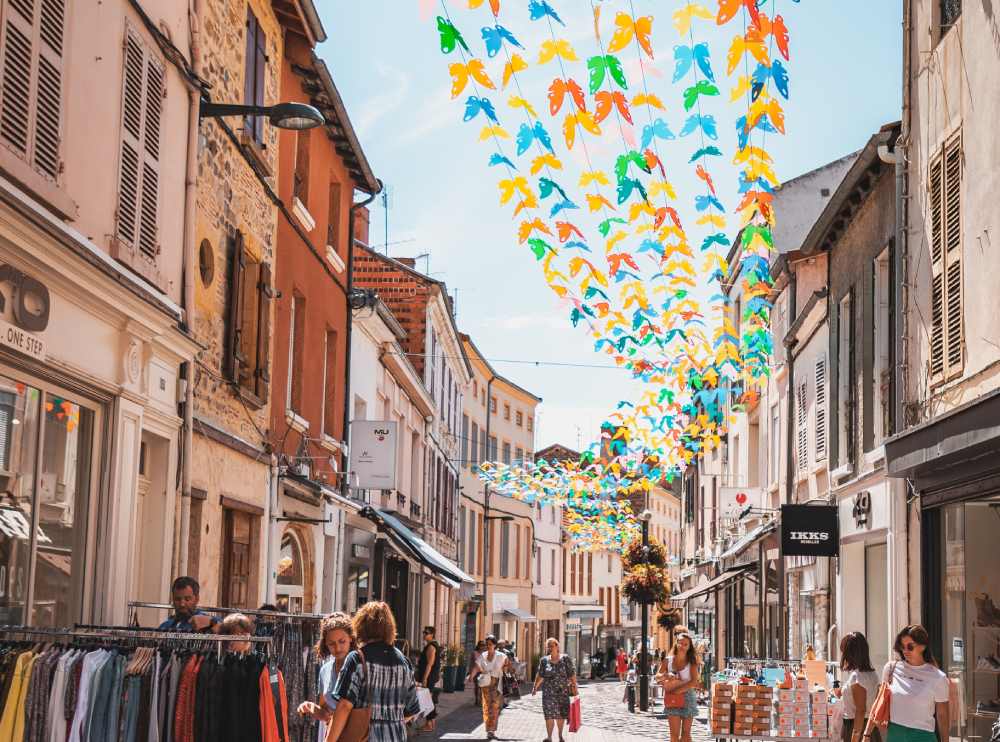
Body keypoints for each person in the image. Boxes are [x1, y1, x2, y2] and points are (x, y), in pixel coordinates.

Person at [325, 601, 419, 742]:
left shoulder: (357, 659)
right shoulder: (404, 662)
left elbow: (344, 706)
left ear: (360, 626)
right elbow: (411, 710)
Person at [862, 625, 949, 742]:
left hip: (922, 736)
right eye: (902, 647)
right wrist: (866, 734)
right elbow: (878, 701)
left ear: (922, 646)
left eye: (910, 647)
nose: (905, 651)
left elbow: (942, 715)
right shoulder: (891, 668)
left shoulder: (938, 677)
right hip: (894, 734)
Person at [297, 612, 355, 740]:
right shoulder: (325, 670)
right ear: (325, 644)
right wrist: (310, 707)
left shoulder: (360, 668)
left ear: (351, 638)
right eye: (331, 644)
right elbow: (326, 713)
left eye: (342, 641)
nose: (337, 648)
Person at [657, 627, 702, 742]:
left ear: (689, 647)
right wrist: (665, 676)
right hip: (672, 697)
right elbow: (657, 676)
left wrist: (679, 690)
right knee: (674, 735)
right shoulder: (668, 660)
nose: (682, 646)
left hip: (687, 697)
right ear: (676, 644)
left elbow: (694, 681)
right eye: (680, 643)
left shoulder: (692, 661)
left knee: (686, 735)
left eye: (685, 644)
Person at [838, 632, 881, 742]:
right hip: (870, 727)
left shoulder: (856, 676)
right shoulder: (873, 674)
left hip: (856, 727)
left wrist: (855, 737)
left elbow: (861, 710)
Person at [532, 637, 576, 742]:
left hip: (562, 692)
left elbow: (571, 674)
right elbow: (540, 675)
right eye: (548, 646)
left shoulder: (565, 659)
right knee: (549, 715)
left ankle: (560, 736)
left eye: (552, 646)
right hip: (548, 693)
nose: (550, 648)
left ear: (557, 646)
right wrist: (535, 687)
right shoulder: (544, 661)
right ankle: (549, 737)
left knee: (560, 715)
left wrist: (575, 686)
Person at [475, 635, 507, 740]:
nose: (487, 646)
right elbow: (477, 665)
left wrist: (505, 670)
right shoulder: (483, 655)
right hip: (485, 685)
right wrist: (473, 675)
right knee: (486, 707)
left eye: (490, 644)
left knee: (494, 707)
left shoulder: (501, 655)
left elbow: (507, 665)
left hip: (496, 684)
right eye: (486, 644)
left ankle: (492, 730)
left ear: (494, 645)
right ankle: (488, 729)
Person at [414, 626, 442, 734]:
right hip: (431, 676)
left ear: (432, 635)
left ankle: (429, 724)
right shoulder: (431, 645)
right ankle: (430, 723)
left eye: (426, 633)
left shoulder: (431, 647)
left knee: (428, 700)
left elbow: (430, 664)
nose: (424, 635)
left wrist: (425, 678)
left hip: (429, 677)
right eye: (423, 632)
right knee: (429, 700)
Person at [469, 641, 486, 707]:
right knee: (477, 686)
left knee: (482, 687)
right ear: (478, 646)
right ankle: (477, 699)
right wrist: (470, 673)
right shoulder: (474, 653)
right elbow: (473, 663)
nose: (483, 647)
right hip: (476, 672)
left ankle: (481, 700)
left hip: (483, 672)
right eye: (481, 645)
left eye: (484, 645)